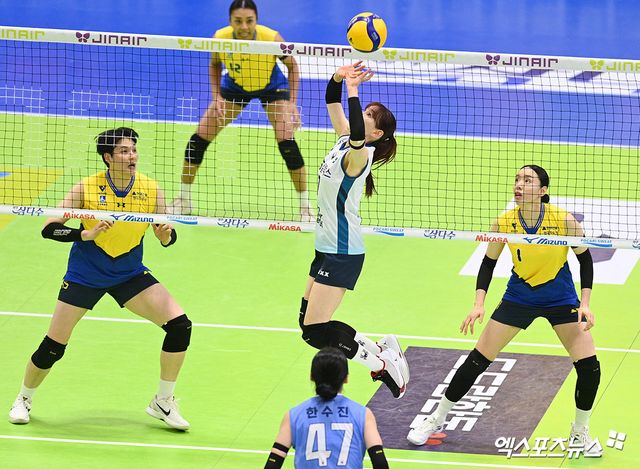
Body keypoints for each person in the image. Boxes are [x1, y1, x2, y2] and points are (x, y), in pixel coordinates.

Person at [407, 165, 602, 456]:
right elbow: (488, 263)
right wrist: (478, 304)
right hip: (520, 295)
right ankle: (437, 418)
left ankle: (579, 432)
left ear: (543, 191)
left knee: (589, 367)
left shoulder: (564, 220)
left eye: (528, 180)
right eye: (517, 179)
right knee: (477, 359)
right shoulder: (504, 222)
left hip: (560, 298)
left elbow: (585, 260)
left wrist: (585, 303)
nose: (519, 184)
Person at [8, 127, 192, 431]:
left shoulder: (150, 189)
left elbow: (167, 235)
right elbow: (49, 227)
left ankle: (163, 401)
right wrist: (85, 234)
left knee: (179, 326)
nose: (132, 156)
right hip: (86, 274)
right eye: (124, 151)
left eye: (133, 150)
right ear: (108, 157)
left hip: (129, 272)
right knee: (54, 345)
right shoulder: (86, 188)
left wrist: (165, 236)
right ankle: (23, 398)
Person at [298, 61, 409, 400]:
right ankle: (380, 349)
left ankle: (381, 363)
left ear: (376, 134)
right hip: (325, 247)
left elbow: (357, 133)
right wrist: (339, 77)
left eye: (371, 115)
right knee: (308, 326)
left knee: (316, 331)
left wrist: (354, 90)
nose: (365, 115)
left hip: (342, 252)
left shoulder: (360, 156)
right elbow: (331, 100)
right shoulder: (345, 141)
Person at [168, 0, 312, 221]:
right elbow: (215, 64)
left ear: (256, 20)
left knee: (287, 143)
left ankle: (305, 207)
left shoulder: (271, 38)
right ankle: (183, 199)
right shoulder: (221, 37)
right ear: (230, 21)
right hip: (235, 86)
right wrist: (217, 96)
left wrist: (292, 103)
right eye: (238, 21)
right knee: (198, 140)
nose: (244, 27)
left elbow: (292, 67)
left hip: (272, 86)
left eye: (249, 21)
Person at [264, 347, 390, 469]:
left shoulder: (294, 415)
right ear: (346, 378)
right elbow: (380, 462)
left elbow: (273, 463)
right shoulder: (362, 414)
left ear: (311, 376)